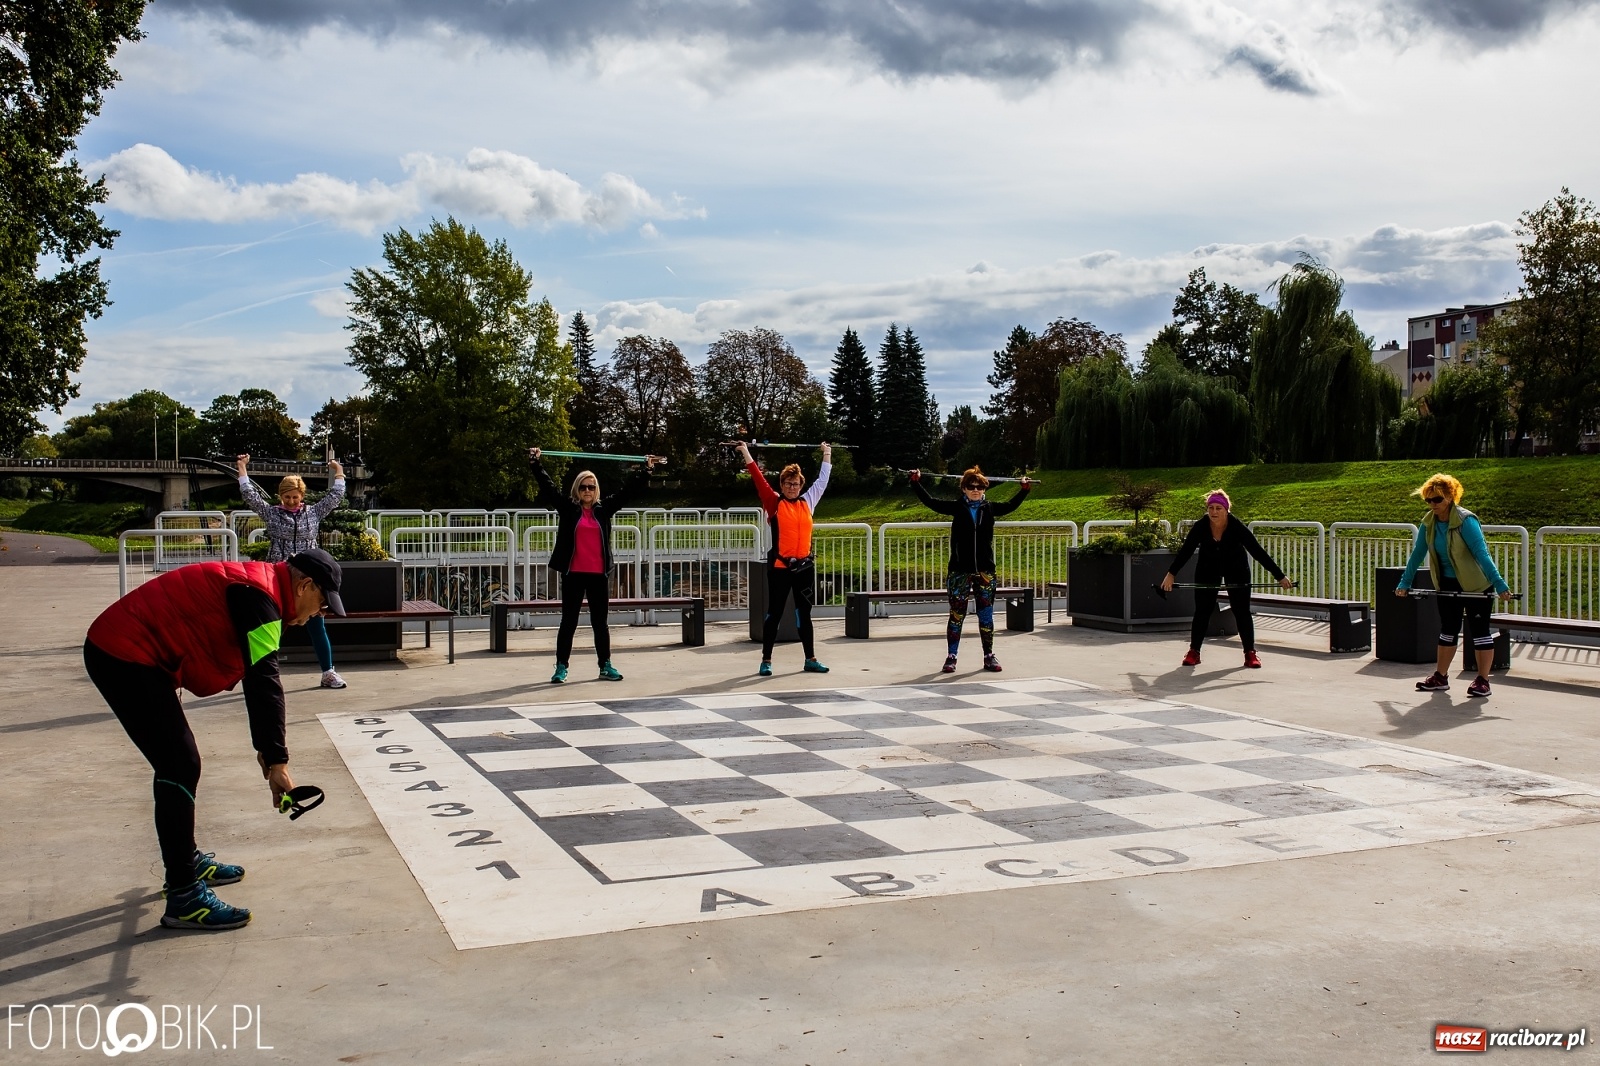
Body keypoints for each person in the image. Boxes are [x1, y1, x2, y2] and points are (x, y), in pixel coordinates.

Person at [83, 548, 345, 930]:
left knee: (178, 761)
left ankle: (185, 861)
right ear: (304, 585)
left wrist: (268, 750)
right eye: (322, 604)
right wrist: (277, 761)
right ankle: (185, 896)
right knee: (179, 763)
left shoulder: (262, 586)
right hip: (123, 653)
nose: (317, 615)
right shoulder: (260, 597)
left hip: (137, 652)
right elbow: (263, 680)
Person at [529, 447, 660, 684]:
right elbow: (548, 488)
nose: (587, 491)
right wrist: (536, 464)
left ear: (596, 489)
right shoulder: (568, 509)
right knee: (568, 622)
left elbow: (627, 493)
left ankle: (605, 665)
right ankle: (561, 667)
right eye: (583, 486)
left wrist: (646, 470)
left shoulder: (604, 510)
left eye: (591, 487)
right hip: (573, 574)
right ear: (577, 489)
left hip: (598, 575)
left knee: (600, 623)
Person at [1394, 473, 1514, 698]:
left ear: (1450, 497)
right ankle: (1440, 677)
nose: (1432, 505)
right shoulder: (1428, 522)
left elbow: (1482, 553)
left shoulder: (1466, 521)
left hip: (1475, 585)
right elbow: (1418, 553)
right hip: (1447, 584)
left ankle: (1483, 681)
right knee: (1448, 630)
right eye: (1428, 500)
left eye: (1437, 500)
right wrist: (1405, 582)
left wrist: (1499, 584)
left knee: (1479, 632)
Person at [236, 454, 348, 689]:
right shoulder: (273, 513)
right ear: (280, 496)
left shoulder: (313, 513)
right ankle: (261, 674)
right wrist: (242, 469)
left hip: (309, 579)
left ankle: (328, 672)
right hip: (279, 576)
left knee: (317, 625)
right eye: (287, 497)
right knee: (273, 625)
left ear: (302, 496)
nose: (291, 501)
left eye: (295, 497)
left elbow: (335, 497)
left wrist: (338, 471)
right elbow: (251, 497)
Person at [909, 466, 1032, 673]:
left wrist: (1024, 489)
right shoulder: (957, 507)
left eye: (980, 487)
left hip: (985, 571)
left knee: (986, 615)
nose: (975, 490)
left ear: (985, 489)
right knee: (957, 615)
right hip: (959, 571)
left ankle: (989, 656)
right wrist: (915, 482)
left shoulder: (990, 508)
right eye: (970, 486)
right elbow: (931, 502)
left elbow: (1011, 505)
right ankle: (951, 657)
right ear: (963, 489)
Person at [1161, 491, 1293, 668]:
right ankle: (1194, 652)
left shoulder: (1236, 526)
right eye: (1210, 508)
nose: (1214, 512)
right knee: (1202, 610)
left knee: (1241, 611)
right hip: (1208, 569)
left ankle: (1250, 653)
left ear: (1226, 510)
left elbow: (1257, 551)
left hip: (1236, 568)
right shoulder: (1201, 526)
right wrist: (1171, 574)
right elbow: (1186, 551)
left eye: (1218, 508)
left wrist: (1280, 576)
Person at [738, 440, 832, 676]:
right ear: (782, 484)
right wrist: (746, 452)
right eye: (788, 483)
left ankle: (810, 658)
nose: (792, 487)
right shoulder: (774, 503)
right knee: (775, 613)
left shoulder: (807, 502)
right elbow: (759, 480)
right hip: (780, 568)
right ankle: (766, 660)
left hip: (804, 568)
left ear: (801, 485)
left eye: (796, 484)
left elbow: (823, 481)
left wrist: (827, 453)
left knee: (804, 614)